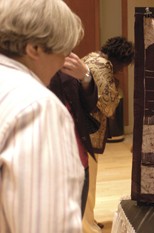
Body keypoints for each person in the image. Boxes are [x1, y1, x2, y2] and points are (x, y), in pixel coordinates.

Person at [0, 0, 84, 232]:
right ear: (34, 48)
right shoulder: (37, 106)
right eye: (63, 52)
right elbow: (45, 224)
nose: (63, 63)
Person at [82, 36, 135, 233]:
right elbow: (109, 106)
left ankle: (89, 220)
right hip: (88, 131)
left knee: (88, 180)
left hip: (82, 128)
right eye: (124, 65)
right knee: (88, 181)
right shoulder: (103, 68)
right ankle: (87, 226)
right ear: (120, 59)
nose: (123, 69)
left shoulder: (90, 58)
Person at [49, 52, 99, 217]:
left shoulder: (68, 62)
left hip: (79, 159)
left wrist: (85, 77)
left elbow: (88, 106)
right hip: (50, 166)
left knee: (76, 220)